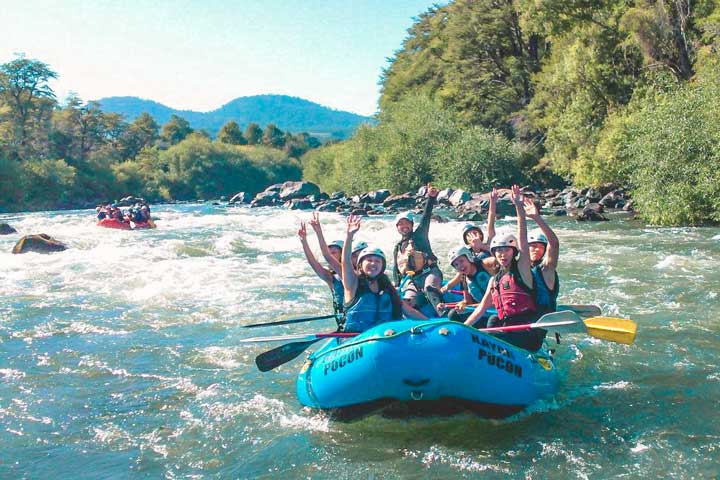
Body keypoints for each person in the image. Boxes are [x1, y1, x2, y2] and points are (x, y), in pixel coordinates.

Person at [463, 185, 545, 351]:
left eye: (506, 250)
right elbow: (480, 309)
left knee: (488, 337)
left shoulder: (522, 270)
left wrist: (518, 207)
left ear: (513, 252)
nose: (502, 254)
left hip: (526, 333)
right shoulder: (494, 280)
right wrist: (462, 328)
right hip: (508, 330)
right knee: (491, 321)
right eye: (498, 251)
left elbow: (522, 237)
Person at [342, 215, 428, 333]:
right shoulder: (352, 283)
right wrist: (349, 235)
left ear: (382, 267)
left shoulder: (387, 288)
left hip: (387, 338)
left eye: (377, 261)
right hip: (357, 340)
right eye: (369, 260)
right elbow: (345, 262)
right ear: (360, 265)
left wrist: (430, 324)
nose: (373, 263)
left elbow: (409, 311)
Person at [392, 184, 443, 314]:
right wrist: (397, 284)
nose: (404, 226)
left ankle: (444, 314)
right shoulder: (397, 247)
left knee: (429, 288)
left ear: (412, 225)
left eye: (407, 223)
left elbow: (426, 217)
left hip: (430, 272)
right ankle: (417, 318)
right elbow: (396, 269)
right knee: (407, 300)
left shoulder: (420, 235)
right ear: (397, 228)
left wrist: (431, 198)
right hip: (411, 279)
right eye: (401, 224)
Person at [441, 187, 499, 294]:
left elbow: (491, 223)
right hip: (478, 286)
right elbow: (460, 274)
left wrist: (493, 202)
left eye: (475, 232)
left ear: (481, 234)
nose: (473, 236)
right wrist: (447, 287)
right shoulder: (465, 255)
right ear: (466, 240)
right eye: (469, 234)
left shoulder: (489, 244)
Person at [297, 220, 345, 322]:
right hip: (344, 322)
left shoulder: (355, 274)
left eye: (334, 253)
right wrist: (304, 242)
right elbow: (313, 263)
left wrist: (318, 232)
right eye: (330, 253)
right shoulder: (331, 277)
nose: (331, 256)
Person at [437, 245, 497, 325]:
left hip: (498, 308)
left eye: (461, 261)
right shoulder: (464, 279)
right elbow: (468, 301)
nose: (460, 266)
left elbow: (501, 261)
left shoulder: (486, 264)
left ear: (469, 257)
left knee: (492, 321)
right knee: (453, 314)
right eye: (456, 265)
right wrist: (460, 304)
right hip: (484, 310)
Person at [524, 197, 560, 313]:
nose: (537, 249)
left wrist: (536, 218)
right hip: (526, 316)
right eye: (533, 246)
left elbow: (554, 244)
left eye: (541, 247)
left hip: (545, 318)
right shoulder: (521, 267)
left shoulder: (547, 267)